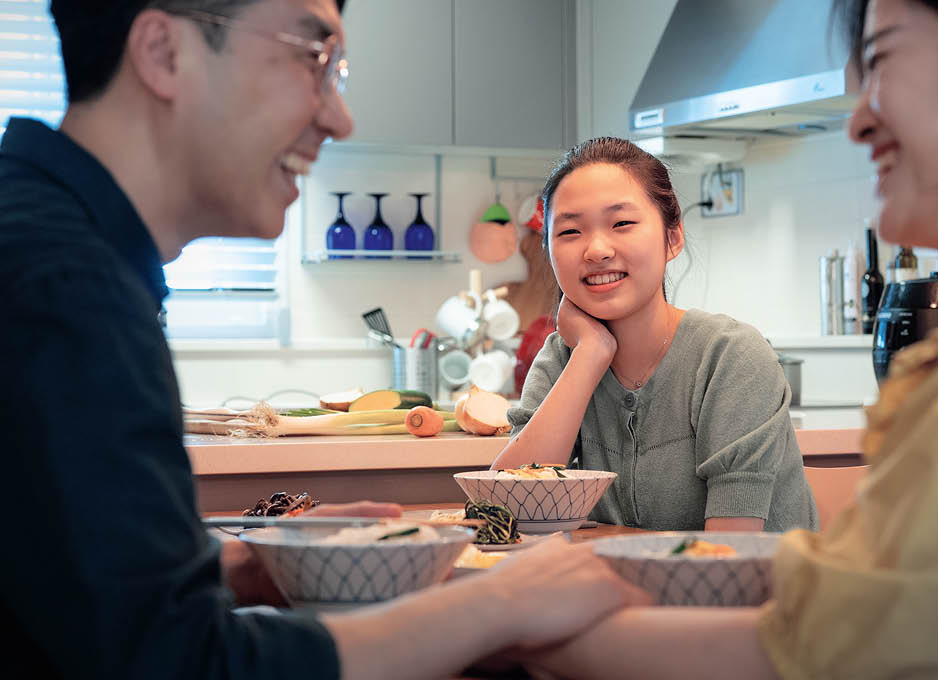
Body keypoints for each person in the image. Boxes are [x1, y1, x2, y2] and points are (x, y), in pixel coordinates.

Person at [519, 1, 938, 678]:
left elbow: (844, 653)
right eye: (570, 231)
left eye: (883, 62)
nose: (859, 119)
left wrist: (492, 620)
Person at [0, 2, 644, 679]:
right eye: (314, 58)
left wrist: (249, 566)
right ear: (163, 52)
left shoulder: (50, 249)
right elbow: (179, 663)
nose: (341, 117)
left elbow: (62, 581)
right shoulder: (62, 289)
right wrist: (499, 603)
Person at [490, 137, 817, 533]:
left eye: (622, 223)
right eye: (570, 231)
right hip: (626, 588)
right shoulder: (563, 359)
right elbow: (505, 511)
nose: (596, 250)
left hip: (752, 592)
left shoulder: (731, 357)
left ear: (673, 237)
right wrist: (591, 354)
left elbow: (731, 558)